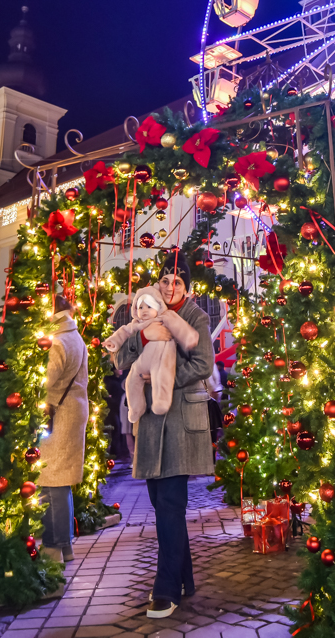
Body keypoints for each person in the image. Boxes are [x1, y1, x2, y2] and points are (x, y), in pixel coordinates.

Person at [111, 253, 213, 619]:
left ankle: (166, 588)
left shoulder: (195, 317)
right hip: (152, 425)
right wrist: (140, 334)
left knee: (170, 505)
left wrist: (166, 372)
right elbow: (121, 360)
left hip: (182, 418)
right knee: (160, 503)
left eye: (178, 281)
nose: (171, 287)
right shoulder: (144, 312)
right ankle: (184, 578)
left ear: (187, 286)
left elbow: (203, 364)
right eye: (166, 280)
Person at [34, 293, 89, 564]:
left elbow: (46, 379)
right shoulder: (74, 335)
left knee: (51, 480)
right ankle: (65, 545)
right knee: (61, 481)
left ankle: (54, 547)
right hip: (72, 410)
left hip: (56, 412)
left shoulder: (57, 340)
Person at [103, 286, 199, 424]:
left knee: (162, 377)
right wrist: (113, 342)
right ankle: (136, 408)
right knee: (131, 381)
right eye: (140, 307)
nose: (144, 311)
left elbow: (179, 326)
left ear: (157, 307)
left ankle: (162, 402)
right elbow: (123, 331)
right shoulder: (137, 324)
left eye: (148, 306)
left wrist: (188, 338)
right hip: (142, 361)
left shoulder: (165, 317)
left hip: (161, 358)